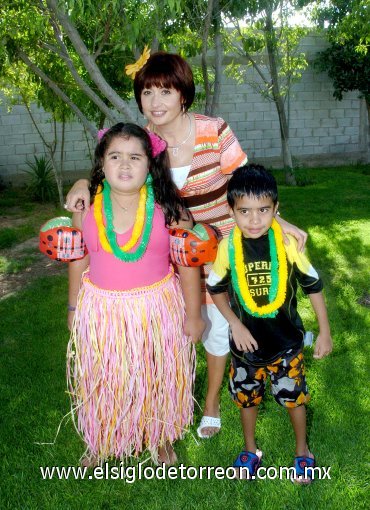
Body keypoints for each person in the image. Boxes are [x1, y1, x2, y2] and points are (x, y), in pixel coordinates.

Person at [64, 50, 308, 439]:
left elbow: (246, 184)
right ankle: (160, 399)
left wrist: (280, 220)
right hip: (165, 252)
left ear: (183, 94)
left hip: (223, 247)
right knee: (171, 330)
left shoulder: (214, 130)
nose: (155, 103)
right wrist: (82, 183)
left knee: (213, 328)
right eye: (147, 93)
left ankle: (210, 403)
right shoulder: (145, 140)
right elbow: (115, 170)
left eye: (165, 91)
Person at [67, 123, 204, 466]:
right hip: (103, 311)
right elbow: (78, 257)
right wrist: (73, 307)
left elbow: (188, 264)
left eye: (135, 157)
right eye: (115, 156)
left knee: (156, 374)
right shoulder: (87, 209)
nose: (125, 165)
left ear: (149, 166)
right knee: (104, 378)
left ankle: (159, 437)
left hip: (156, 309)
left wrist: (193, 314)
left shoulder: (170, 211)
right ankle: (102, 438)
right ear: (101, 163)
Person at [206, 164, 332, 482]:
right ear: (231, 211)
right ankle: (250, 450)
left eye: (263, 210)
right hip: (245, 347)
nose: (254, 219)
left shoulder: (287, 244)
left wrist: (325, 332)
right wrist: (235, 323)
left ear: (276, 209)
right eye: (244, 211)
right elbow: (216, 288)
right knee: (246, 399)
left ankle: (302, 451)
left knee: (294, 399)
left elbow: (313, 286)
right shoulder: (228, 247)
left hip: (286, 343)